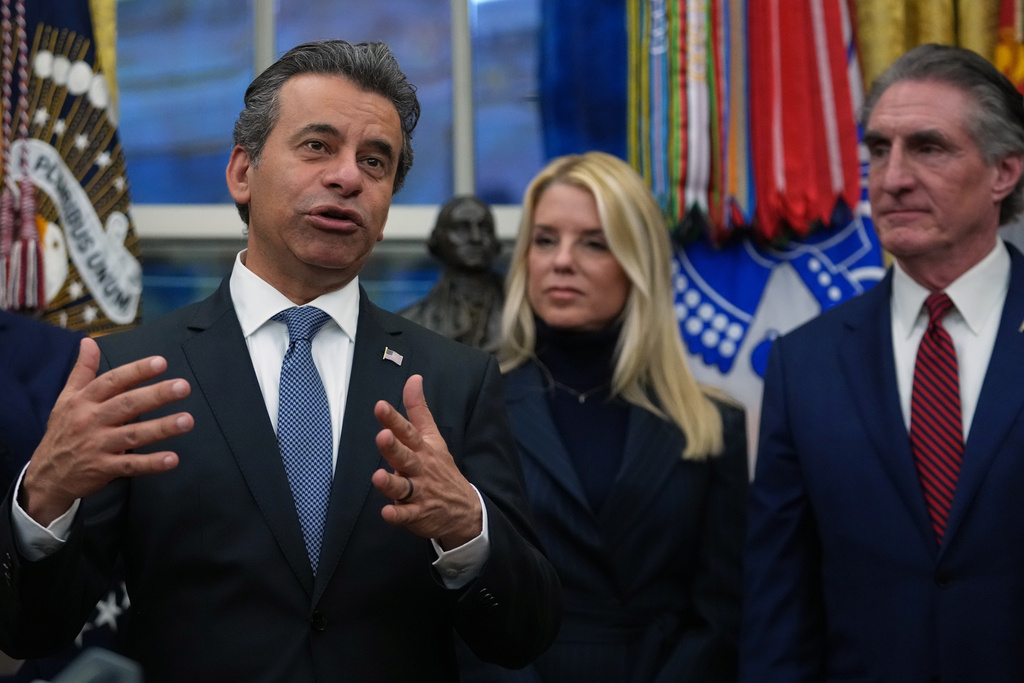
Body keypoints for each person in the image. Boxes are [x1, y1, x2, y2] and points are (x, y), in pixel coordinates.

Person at [0, 40, 561, 682]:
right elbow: (30, 630)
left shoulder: (453, 380)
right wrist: (43, 499)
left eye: (375, 162)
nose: (348, 177)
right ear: (243, 172)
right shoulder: (136, 375)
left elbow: (524, 633)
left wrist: (467, 530)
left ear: (385, 210)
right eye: (318, 146)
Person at [742, 43, 1024, 682]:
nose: (892, 178)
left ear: (1004, 171)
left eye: (928, 147)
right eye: (878, 149)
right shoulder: (804, 364)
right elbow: (778, 606)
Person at [462, 151, 747, 682]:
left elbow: (722, 613)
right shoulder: (473, 402)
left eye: (593, 243)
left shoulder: (712, 423)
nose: (562, 261)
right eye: (545, 240)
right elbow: (458, 593)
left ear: (638, 263)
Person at [399, 195, 504, 350]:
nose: (476, 238)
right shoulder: (411, 322)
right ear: (438, 239)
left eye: (484, 228)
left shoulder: (526, 314)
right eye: (461, 229)